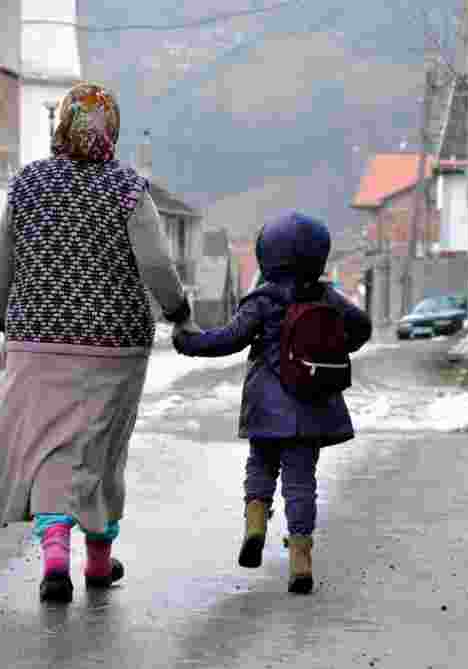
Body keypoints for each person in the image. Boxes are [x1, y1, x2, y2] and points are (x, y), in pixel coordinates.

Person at [0, 82, 198, 604]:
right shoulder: (126, 188)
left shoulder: (27, 184)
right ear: (111, 129)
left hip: (35, 339)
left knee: (49, 444)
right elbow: (157, 265)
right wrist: (178, 313)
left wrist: (3, 315)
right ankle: (98, 560)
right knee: (100, 447)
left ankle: (55, 555)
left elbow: (5, 257)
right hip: (113, 343)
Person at [173, 212, 372, 594]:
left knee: (261, 464)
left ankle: (255, 524)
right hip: (312, 402)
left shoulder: (262, 300)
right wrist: (334, 345)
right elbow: (361, 326)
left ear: (266, 256)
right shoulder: (327, 297)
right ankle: (300, 557)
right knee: (301, 483)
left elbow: (228, 339)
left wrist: (188, 341)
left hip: (266, 404)